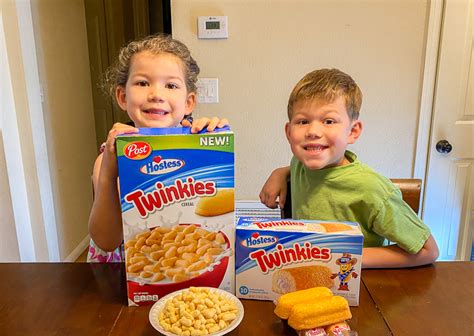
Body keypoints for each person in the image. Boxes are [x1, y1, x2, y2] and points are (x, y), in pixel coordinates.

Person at [259, 68, 438, 268]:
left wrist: (345, 256)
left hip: (362, 286)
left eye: (329, 121)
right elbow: (305, 170)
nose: (313, 131)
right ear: (289, 131)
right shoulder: (299, 164)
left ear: (353, 131)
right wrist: (279, 173)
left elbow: (428, 250)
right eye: (303, 121)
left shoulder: (373, 189)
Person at [88, 34, 229, 262]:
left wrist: (213, 140)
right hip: (121, 277)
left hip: (183, 269)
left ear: (189, 102)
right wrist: (108, 171)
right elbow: (106, 241)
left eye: (171, 85)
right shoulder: (110, 156)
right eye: (143, 83)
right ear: (123, 96)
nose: (156, 95)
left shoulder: (198, 143)